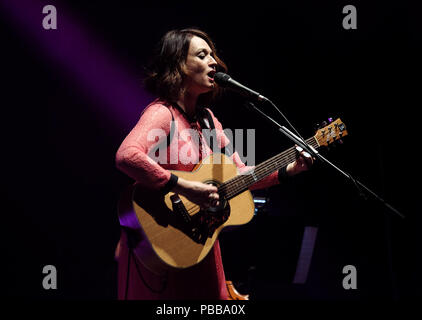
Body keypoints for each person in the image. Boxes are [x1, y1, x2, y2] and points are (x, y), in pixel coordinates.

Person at [114, 28, 313, 300]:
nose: (214, 62)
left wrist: (290, 169)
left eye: (213, 55)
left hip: (200, 245)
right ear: (179, 66)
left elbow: (241, 174)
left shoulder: (208, 120)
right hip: (161, 244)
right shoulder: (162, 113)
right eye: (202, 54)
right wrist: (185, 187)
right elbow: (127, 156)